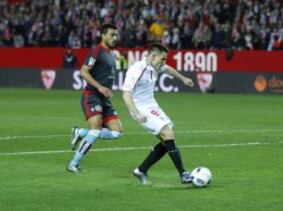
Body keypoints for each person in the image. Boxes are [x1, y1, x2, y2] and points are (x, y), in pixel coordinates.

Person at [122, 43, 194, 184]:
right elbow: (126, 94)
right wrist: (137, 113)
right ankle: (183, 174)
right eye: (162, 59)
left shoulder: (156, 65)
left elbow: (169, 70)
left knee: (167, 140)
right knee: (168, 134)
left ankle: (141, 170)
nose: (164, 62)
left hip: (151, 105)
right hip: (139, 107)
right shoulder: (137, 69)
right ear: (153, 56)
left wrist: (184, 78)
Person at [67, 23, 123, 173]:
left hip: (104, 99)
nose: (115, 38)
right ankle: (73, 164)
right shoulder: (96, 51)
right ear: (103, 35)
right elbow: (84, 72)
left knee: (117, 132)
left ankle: (80, 133)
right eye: (112, 35)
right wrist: (99, 87)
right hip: (91, 96)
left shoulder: (110, 54)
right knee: (96, 129)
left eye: (116, 35)